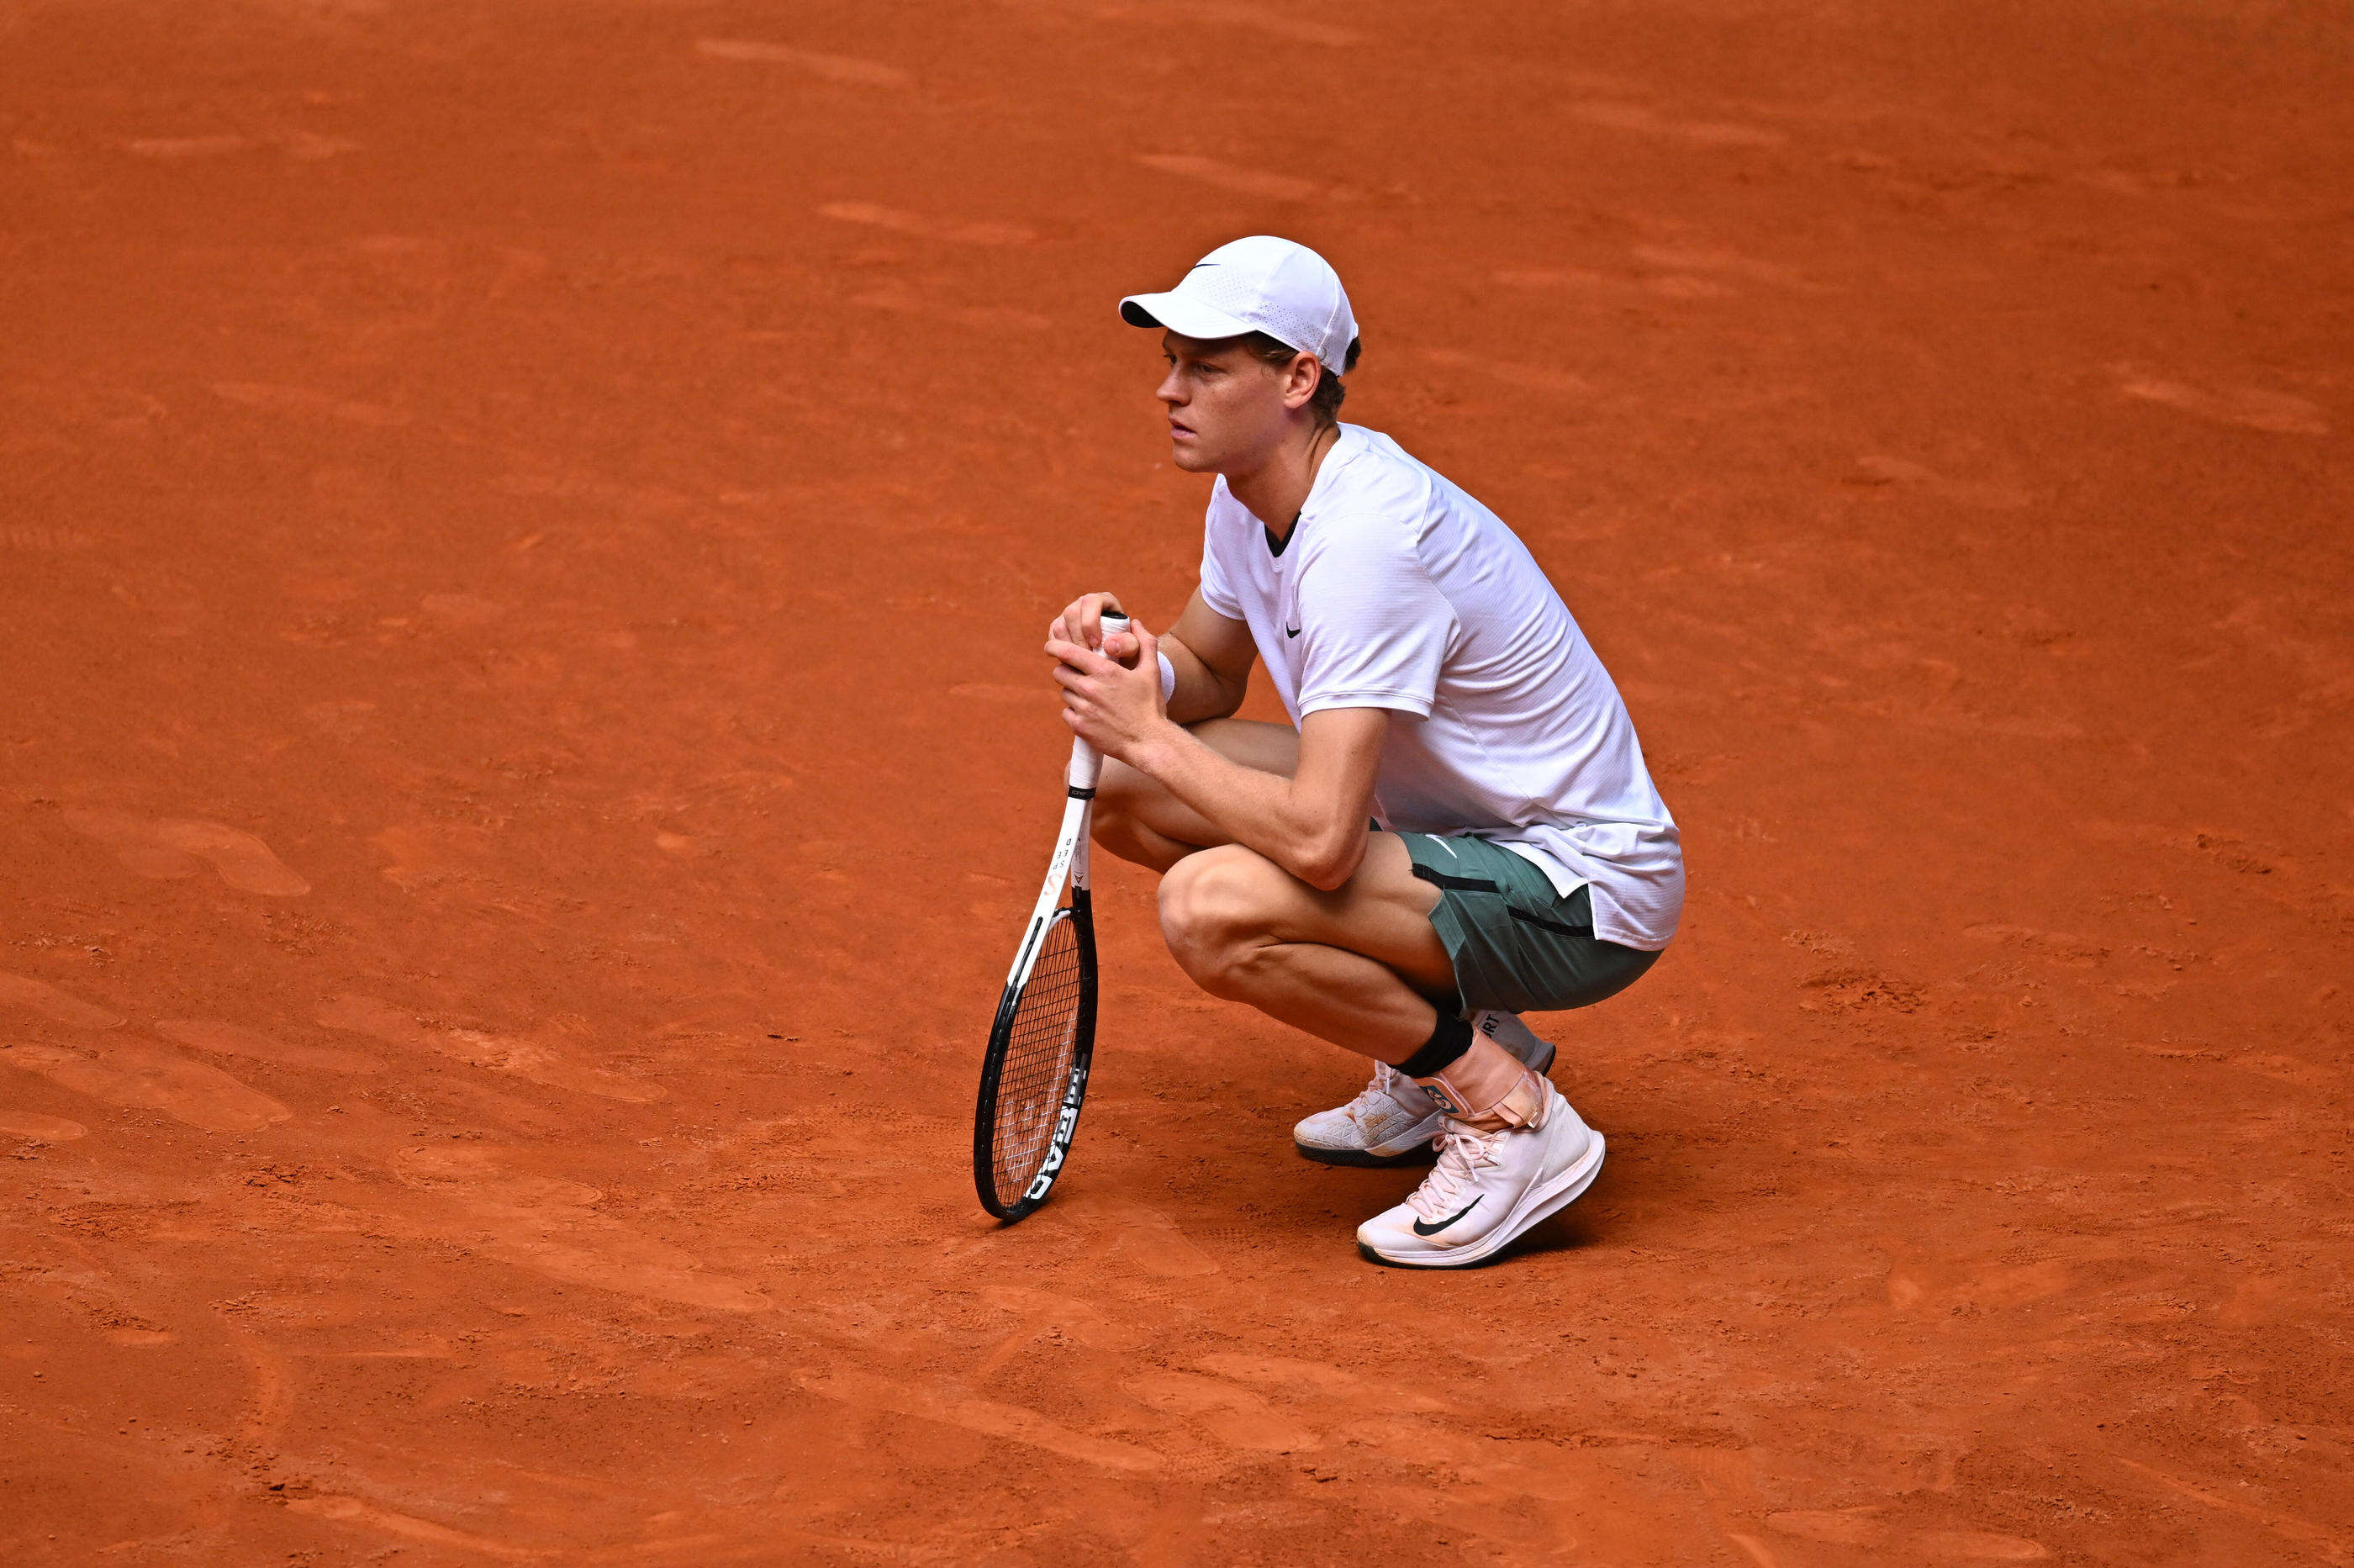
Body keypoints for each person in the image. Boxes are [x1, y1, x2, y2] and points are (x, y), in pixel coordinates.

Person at [1046, 235, 1681, 1268]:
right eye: (1169, 361)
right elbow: (1205, 668)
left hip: (1580, 892)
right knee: (1127, 788)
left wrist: (1152, 734)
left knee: (1211, 905)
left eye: (1206, 367)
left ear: (1299, 378)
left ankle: (1505, 1107)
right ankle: (1455, 1043)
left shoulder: (1365, 541)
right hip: (1444, 842)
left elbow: (1322, 843)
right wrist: (1137, 671)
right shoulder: (1254, 492)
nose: (1170, 389)